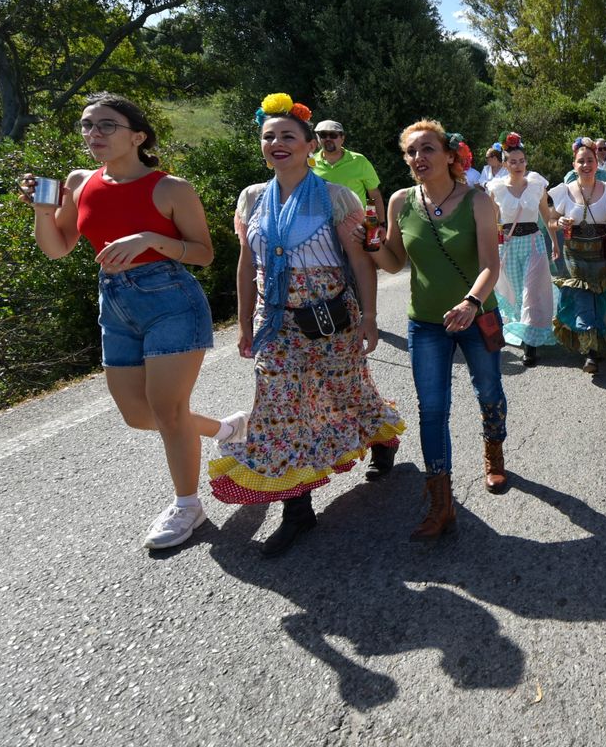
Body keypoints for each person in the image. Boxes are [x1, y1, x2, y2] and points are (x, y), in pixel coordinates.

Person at [18, 92, 236, 551]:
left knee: (167, 410)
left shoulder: (172, 188)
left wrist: (151, 238)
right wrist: (42, 212)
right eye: (87, 125)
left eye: (105, 126)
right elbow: (58, 247)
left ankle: (188, 506)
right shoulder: (81, 181)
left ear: (137, 136)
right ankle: (226, 430)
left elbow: (204, 254)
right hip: (114, 301)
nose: (92, 134)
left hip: (170, 299)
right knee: (138, 415)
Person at [211, 94, 404, 556]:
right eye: (268, 136)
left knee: (345, 391)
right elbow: (245, 264)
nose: (277, 143)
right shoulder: (252, 197)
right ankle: (297, 510)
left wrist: (371, 319)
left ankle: (383, 436)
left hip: (330, 319)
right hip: (274, 322)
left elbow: (360, 263)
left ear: (309, 145)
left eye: (287, 137)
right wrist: (243, 324)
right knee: (278, 411)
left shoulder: (336, 197)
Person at [360, 119, 508, 540]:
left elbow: (489, 265)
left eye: (427, 149)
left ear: (449, 155)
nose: (418, 158)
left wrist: (470, 301)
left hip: (477, 314)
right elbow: (393, 261)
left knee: (489, 390)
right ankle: (441, 502)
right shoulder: (401, 202)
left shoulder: (478, 201)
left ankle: (493, 450)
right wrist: (370, 246)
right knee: (432, 408)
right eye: (411, 152)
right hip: (425, 322)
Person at [549, 143, 606, 374]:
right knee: (583, 299)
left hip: (604, 254)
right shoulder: (564, 191)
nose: (585, 165)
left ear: (598, 163)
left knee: (602, 299)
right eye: (581, 161)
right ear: (573, 166)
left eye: (590, 160)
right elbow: (551, 221)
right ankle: (590, 353)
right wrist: (560, 223)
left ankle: (599, 342)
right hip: (575, 255)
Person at [487, 143, 555, 365]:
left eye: (522, 160)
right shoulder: (495, 188)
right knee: (516, 293)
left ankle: (531, 346)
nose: (518, 165)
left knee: (531, 292)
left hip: (534, 243)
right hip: (508, 246)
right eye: (513, 161)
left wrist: (555, 242)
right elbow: (490, 221)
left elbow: (547, 215)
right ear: (505, 164)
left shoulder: (536, 184)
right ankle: (524, 331)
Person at [309, 119, 385, 215]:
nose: (328, 139)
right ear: (318, 138)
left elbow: (374, 194)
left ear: (342, 138)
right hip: (323, 225)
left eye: (333, 135)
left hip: (356, 225)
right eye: (323, 135)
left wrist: (381, 223)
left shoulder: (359, 161)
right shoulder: (310, 163)